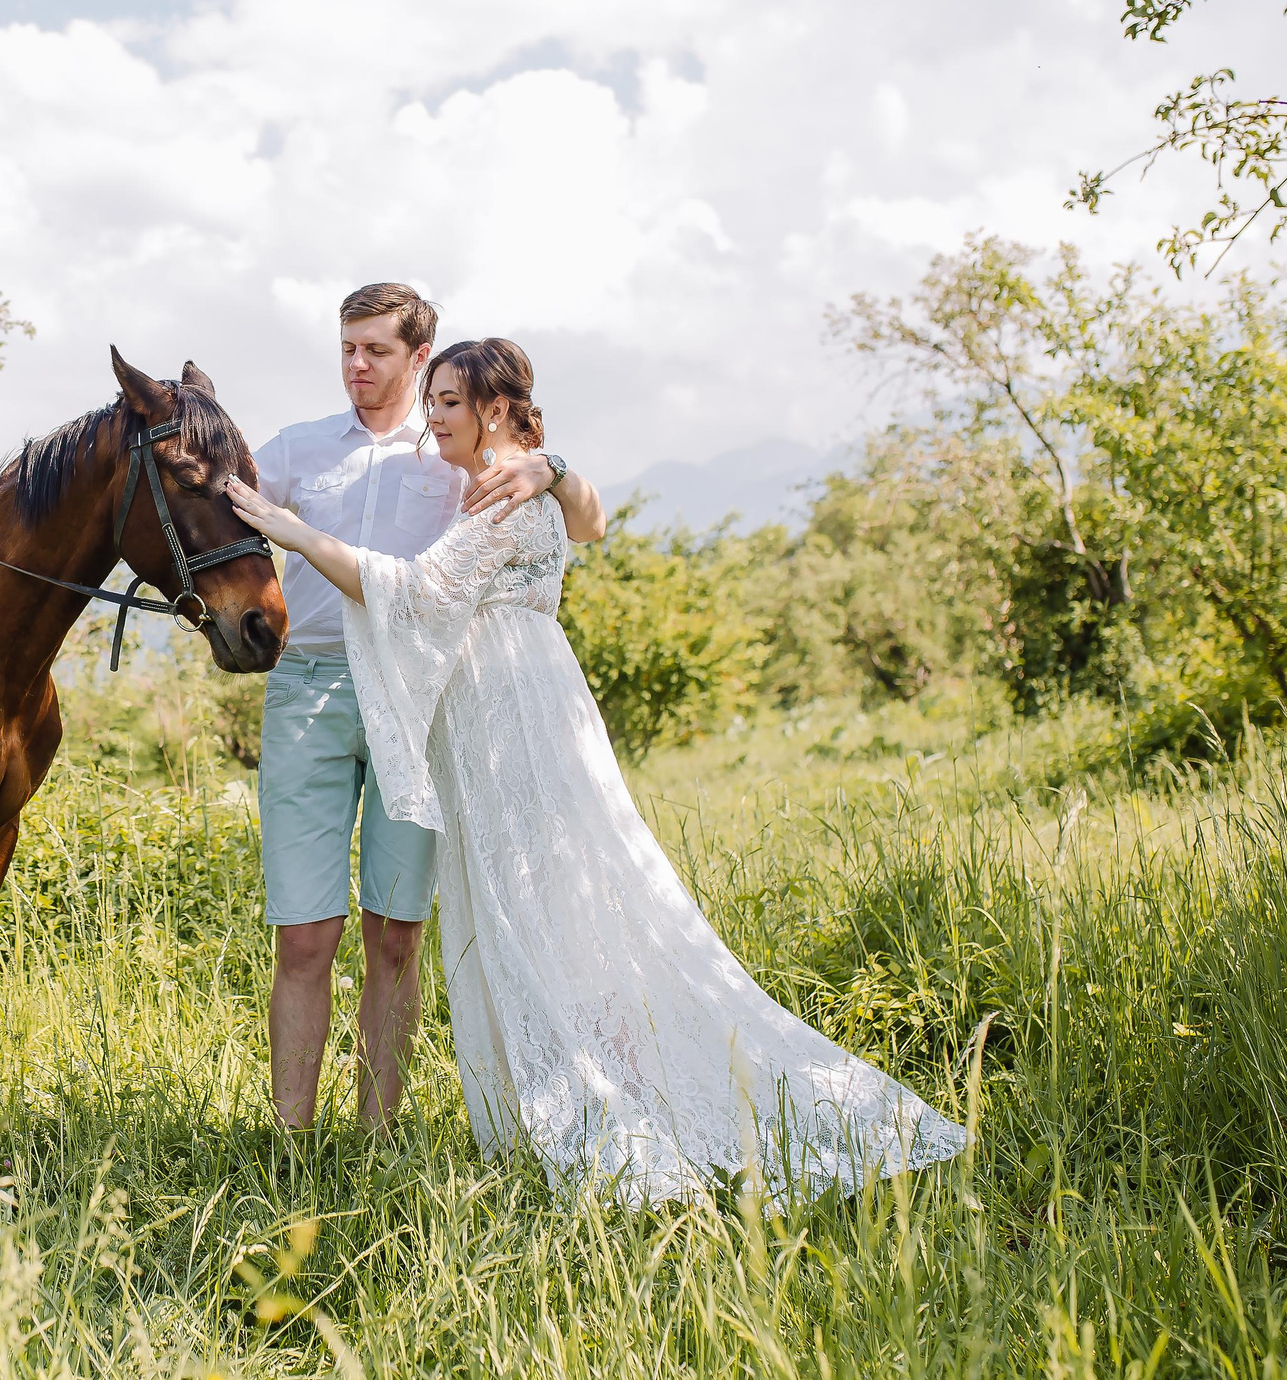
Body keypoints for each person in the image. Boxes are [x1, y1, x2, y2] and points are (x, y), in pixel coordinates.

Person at [224, 339, 968, 1201]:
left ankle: (609, 1100)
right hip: (529, 710)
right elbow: (561, 532)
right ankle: (582, 1088)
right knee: (551, 913)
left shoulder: (505, 494)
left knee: (543, 915)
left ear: (495, 409)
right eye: (433, 403)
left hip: (508, 726)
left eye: (450, 403)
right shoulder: (511, 484)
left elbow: (421, 591)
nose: (435, 419)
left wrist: (294, 532)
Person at [250, 285, 606, 1134]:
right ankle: (288, 1146)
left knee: (395, 933)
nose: (356, 365)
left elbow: (583, 523)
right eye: (347, 347)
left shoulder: (456, 445)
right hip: (308, 690)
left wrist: (552, 468)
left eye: (376, 349)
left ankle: (376, 1138)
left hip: (420, 696)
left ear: (417, 355)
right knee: (304, 935)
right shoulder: (299, 447)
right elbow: (216, 503)